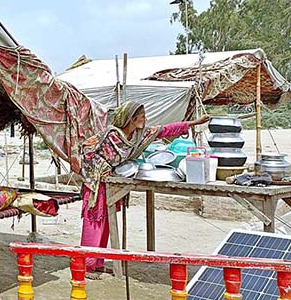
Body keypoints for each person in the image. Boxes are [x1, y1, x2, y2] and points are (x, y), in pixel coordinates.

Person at [80, 102, 210, 279]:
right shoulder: (111, 136)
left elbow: (163, 130)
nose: (144, 118)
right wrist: (102, 169)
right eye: (141, 115)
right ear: (130, 118)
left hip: (112, 179)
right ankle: (86, 267)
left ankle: (97, 263)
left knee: (106, 224)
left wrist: (193, 123)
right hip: (96, 183)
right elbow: (87, 150)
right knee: (95, 221)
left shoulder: (138, 135)